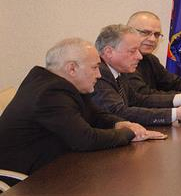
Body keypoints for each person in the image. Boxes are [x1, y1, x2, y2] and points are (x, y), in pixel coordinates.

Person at [0, 38, 164, 185]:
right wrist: (130, 133)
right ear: (72, 68)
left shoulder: (63, 84)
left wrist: (119, 123)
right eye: (95, 67)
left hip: (55, 166)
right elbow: (86, 139)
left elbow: (95, 115)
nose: (99, 75)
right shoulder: (49, 93)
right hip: (25, 182)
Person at [91, 25, 181, 126]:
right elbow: (119, 112)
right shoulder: (99, 73)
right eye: (132, 51)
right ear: (109, 52)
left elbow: (138, 100)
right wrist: (175, 114)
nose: (139, 56)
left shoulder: (118, 69)